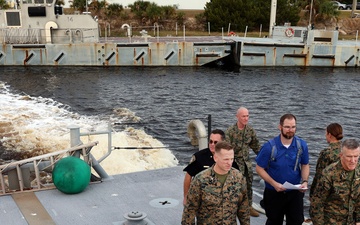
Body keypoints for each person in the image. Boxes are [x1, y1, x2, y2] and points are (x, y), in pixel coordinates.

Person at [255, 113, 310, 225]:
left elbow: (305, 165)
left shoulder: (301, 145)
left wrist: (304, 181)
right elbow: (259, 168)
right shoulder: (269, 147)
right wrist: (274, 184)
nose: (291, 130)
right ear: (280, 127)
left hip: (295, 192)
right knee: (273, 222)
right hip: (274, 192)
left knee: (296, 222)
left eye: (293, 127)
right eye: (287, 127)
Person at [181, 141, 250, 225]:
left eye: (232, 159)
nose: (229, 163)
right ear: (216, 158)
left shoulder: (239, 178)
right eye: (226, 159)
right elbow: (190, 211)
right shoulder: (200, 179)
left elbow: (243, 208)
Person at [310, 138, 360, 225]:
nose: (353, 161)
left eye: (356, 156)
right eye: (349, 156)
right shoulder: (329, 174)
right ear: (341, 155)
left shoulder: (359, 171)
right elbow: (317, 204)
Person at [182, 129, 238, 204]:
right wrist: (186, 197)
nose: (212, 144)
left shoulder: (229, 158)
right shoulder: (199, 157)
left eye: (215, 142)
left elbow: (236, 179)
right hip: (202, 201)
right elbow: (188, 175)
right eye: (210, 141)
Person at [225, 106, 261, 217]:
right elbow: (226, 149)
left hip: (246, 163)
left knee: (248, 184)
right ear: (237, 117)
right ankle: (232, 207)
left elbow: (256, 146)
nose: (246, 118)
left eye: (247, 116)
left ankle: (248, 207)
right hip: (234, 163)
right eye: (243, 116)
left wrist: (266, 159)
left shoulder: (250, 131)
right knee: (234, 186)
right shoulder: (230, 131)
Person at [309, 123, 343, 197]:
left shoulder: (326, 153)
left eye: (326, 133)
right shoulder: (347, 150)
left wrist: (312, 194)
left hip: (328, 191)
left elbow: (319, 174)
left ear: (329, 135)